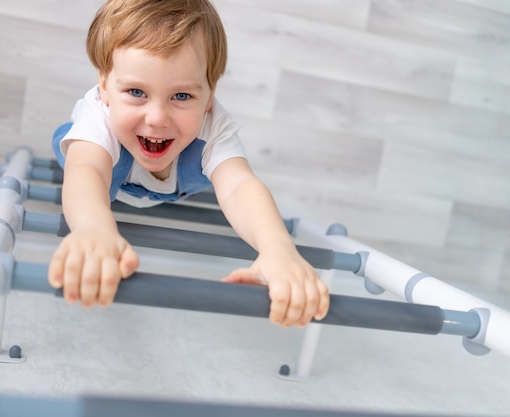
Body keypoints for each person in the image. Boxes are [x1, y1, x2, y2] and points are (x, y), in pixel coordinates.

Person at [48, 0, 330, 328]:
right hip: (109, 168)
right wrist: (93, 229)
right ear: (104, 86)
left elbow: (240, 186)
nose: (156, 118)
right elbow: (88, 171)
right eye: (136, 91)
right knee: (87, 152)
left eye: (181, 96)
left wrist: (278, 250)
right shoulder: (99, 116)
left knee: (221, 164)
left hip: (179, 183)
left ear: (209, 97)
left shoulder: (213, 125)